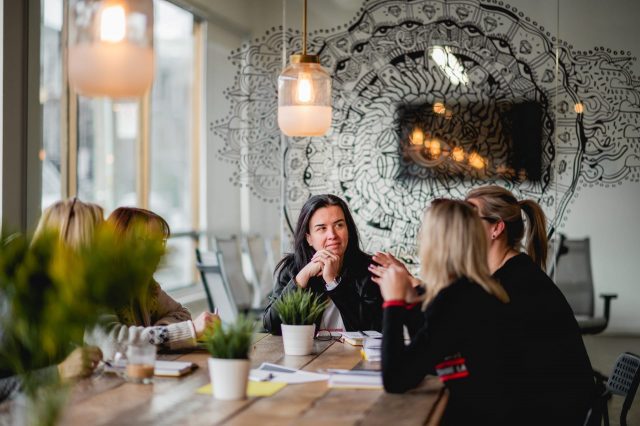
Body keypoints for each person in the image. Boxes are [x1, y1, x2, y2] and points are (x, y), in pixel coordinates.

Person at [370, 200, 516, 425]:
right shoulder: (477, 291)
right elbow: (430, 353)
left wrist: (393, 304)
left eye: (424, 235)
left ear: (437, 245)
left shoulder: (458, 301)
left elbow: (396, 379)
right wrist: (409, 299)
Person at [465, 185, 594, 425]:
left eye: (468, 216)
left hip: (551, 412)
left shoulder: (515, 283)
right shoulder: (510, 273)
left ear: (496, 228)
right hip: (546, 401)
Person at [85, 207, 219, 360]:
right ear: (121, 243)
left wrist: (156, 333)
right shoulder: (98, 287)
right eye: (149, 243)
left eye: (160, 242)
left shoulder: (146, 285)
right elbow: (113, 347)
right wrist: (184, 331)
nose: (161, 252)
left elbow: (182, 315)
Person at [263, 194, 383, 335]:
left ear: (348, 231)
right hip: (309, 355)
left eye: (339, 225)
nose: (332, 235)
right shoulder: (292, 269)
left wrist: (333, 283)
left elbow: (373, 329)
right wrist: (302, 278)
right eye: (322, 228)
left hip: (357, 355)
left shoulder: (370, 269)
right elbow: (272, 325)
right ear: (309, 238)